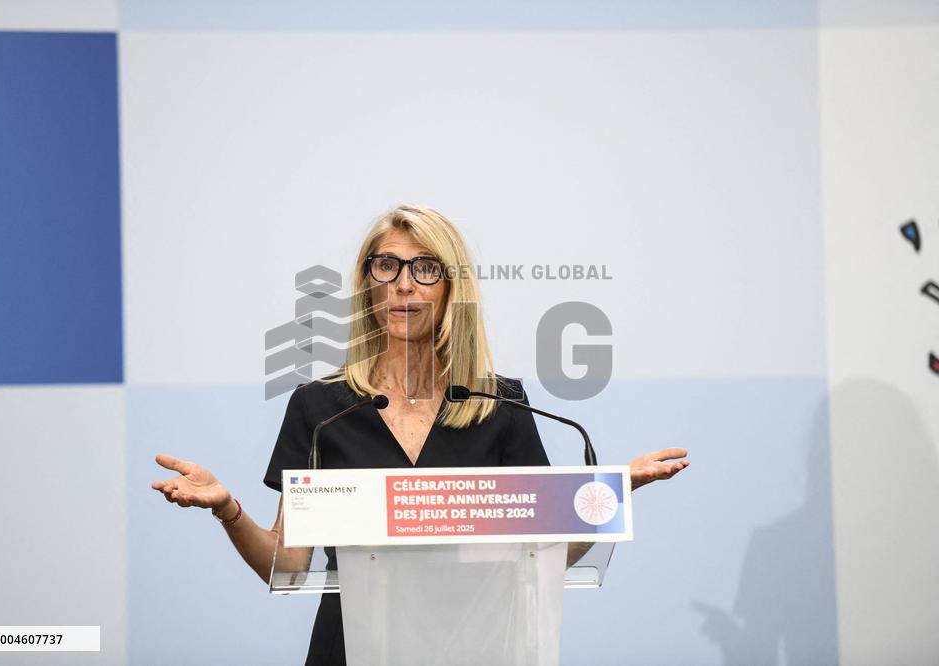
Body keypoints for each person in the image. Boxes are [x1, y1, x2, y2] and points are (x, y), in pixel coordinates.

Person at [151, 204, 689, 665]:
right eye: (387, 265)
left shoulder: (498, 404)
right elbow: (288, 565)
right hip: (350, 649)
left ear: (453, 287)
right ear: (367, 284)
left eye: (425, 268)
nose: (403, 284)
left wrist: (608, 497)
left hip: (472, 647)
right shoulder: (320, 407)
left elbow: (547, 554)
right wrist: (228, 509)